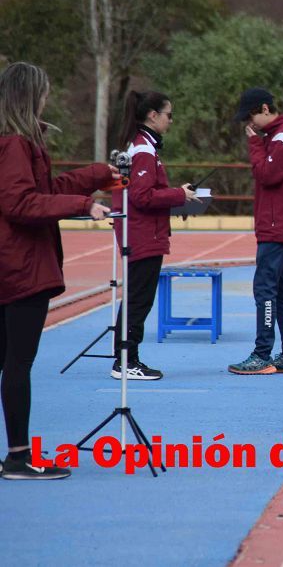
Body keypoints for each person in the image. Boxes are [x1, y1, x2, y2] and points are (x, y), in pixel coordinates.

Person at [0, 62, 115, 479]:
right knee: (17, 363)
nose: (48, 99)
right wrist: (84, 205)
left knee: (7, 362)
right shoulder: (14, 144)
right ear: (31, 96)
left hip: (15, 264)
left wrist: (94, 177)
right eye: (44, 92)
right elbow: (22, 204)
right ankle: (18, 456)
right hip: (20, 267)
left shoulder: (22, 143)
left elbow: (44, 193)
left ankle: (14, 455)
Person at [110, 90, 199, 380]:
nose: (171, 121)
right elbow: (142, 196)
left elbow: (145, 195)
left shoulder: (141, 147)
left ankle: (125, 359)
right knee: (139, 299)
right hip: (143, 235)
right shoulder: (143, 150)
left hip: (142, 232)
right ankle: (126, 361)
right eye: (169, 115)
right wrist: (178, 194)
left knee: (137, 297)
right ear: (153, 115)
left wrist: (177, 198)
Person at [228, 87, 283, 375]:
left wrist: (255, 146)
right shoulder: (275, 136)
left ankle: (262, 355)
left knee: (264, 289)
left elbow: (267, 174)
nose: (249, 125)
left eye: (251, 116)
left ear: (264, 109)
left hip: (279, 225)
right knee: (280, 290)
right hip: (278, 223)